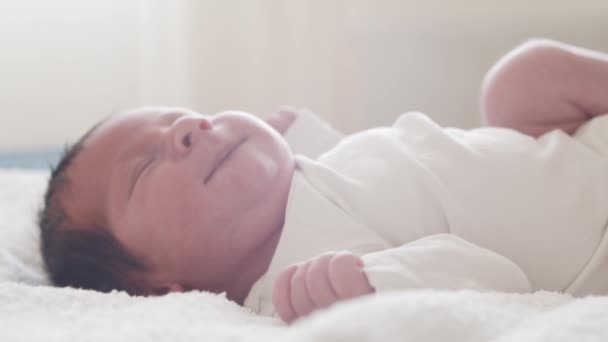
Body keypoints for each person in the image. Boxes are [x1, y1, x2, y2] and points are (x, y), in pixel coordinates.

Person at [39, 39, 608, 323]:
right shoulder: (303, 283)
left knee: (518, 79)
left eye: (186, 115)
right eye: (144, 167)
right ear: (157, 289)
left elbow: (363, 169)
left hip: (576, 146)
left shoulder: (307, 173)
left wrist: (298, 135)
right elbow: (493, 284)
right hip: (594, 241)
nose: (189, 130)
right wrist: (375, 287)